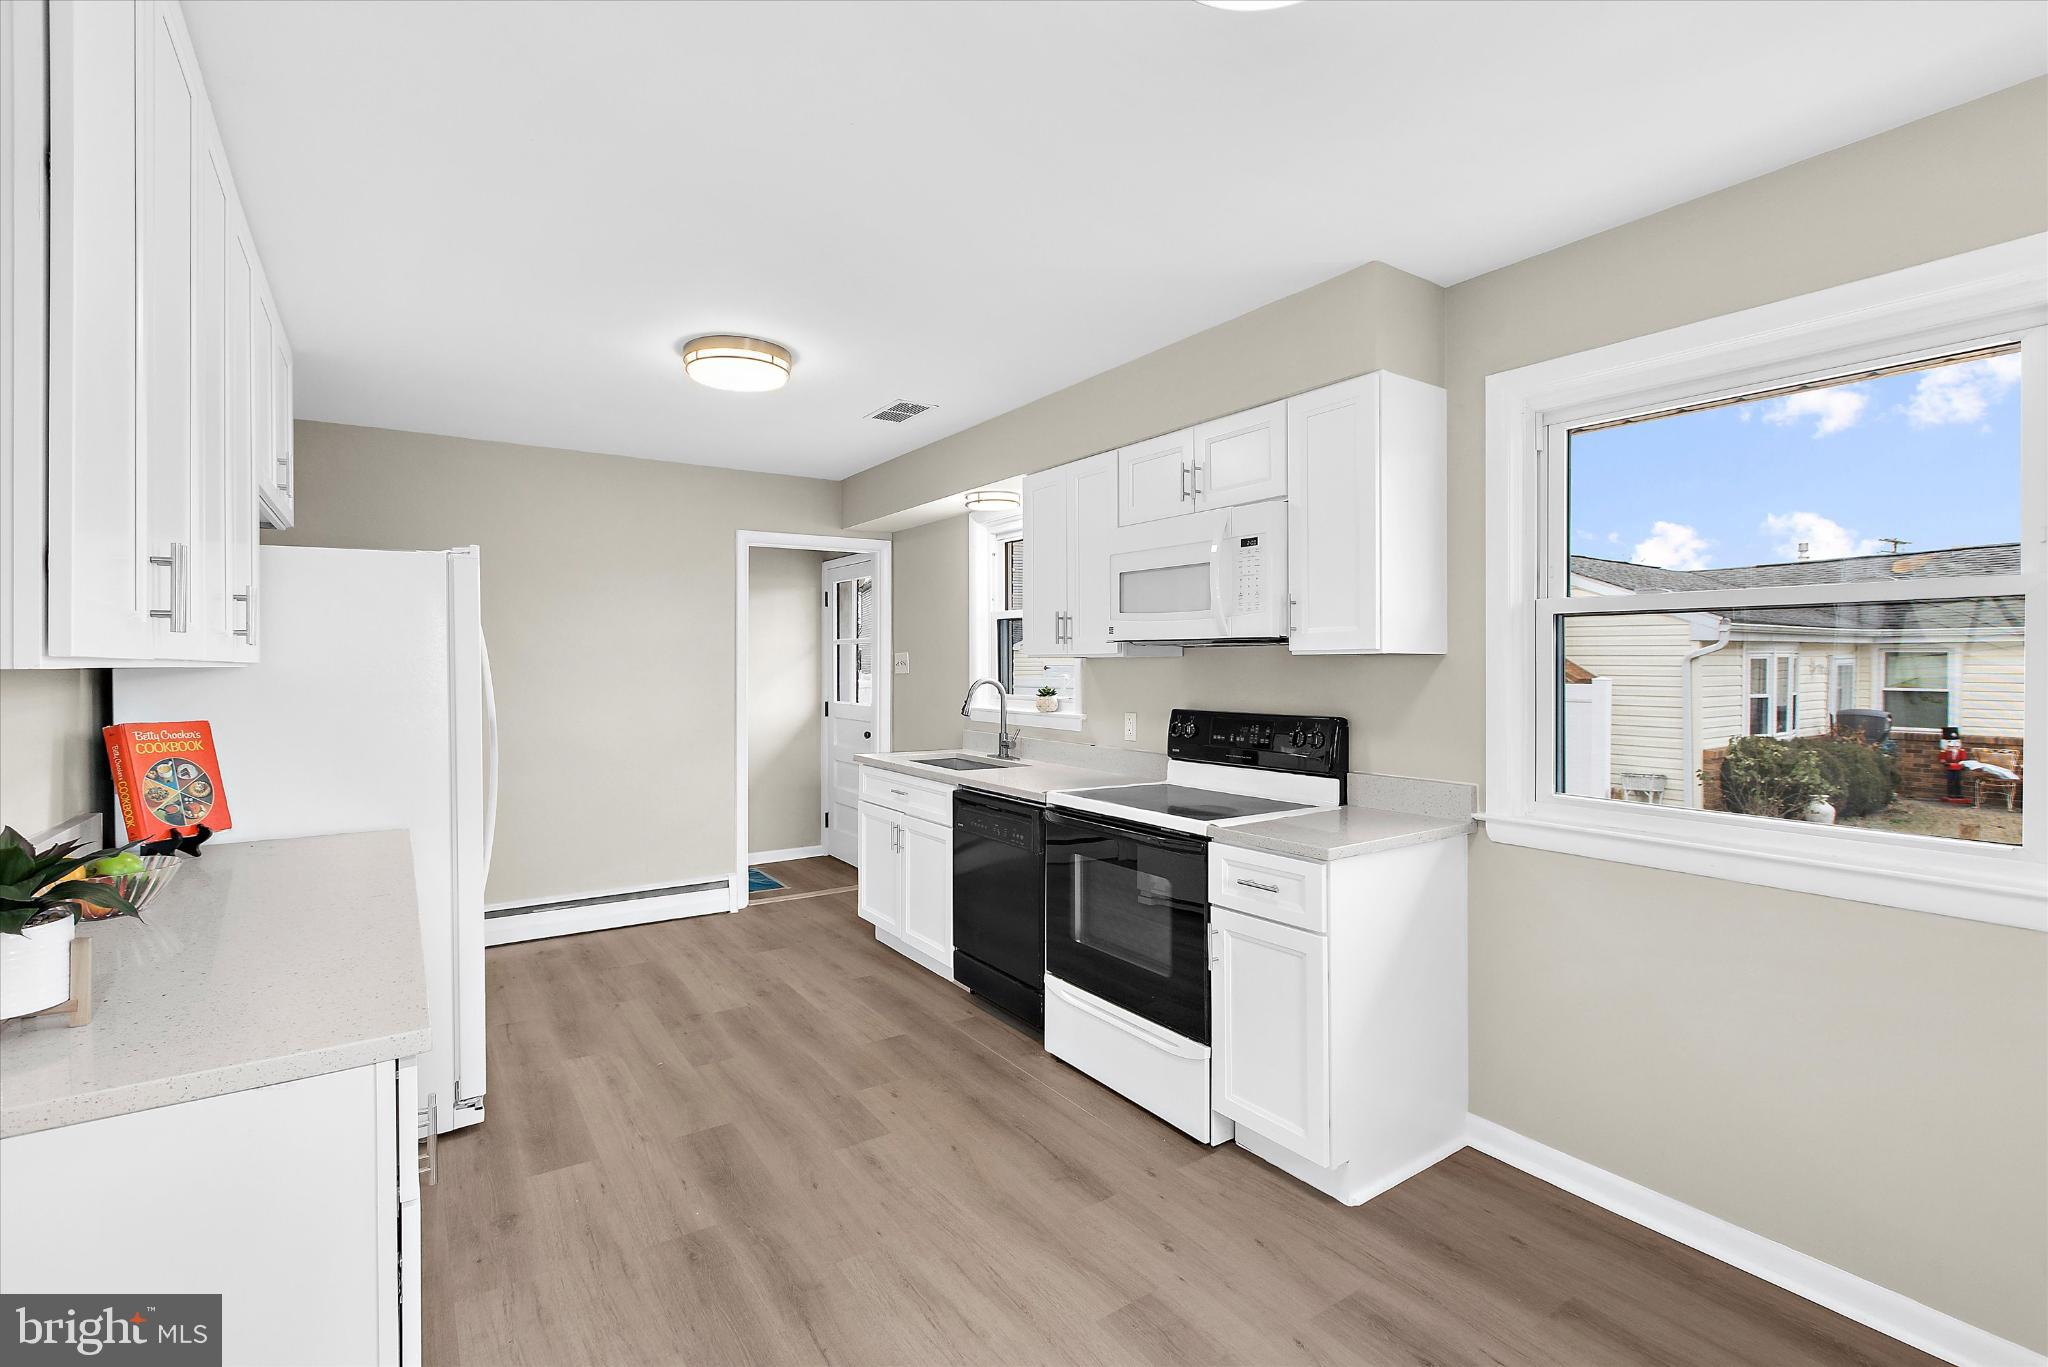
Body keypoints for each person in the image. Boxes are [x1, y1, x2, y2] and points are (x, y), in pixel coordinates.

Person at [1938, 726, 1969, 805]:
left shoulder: (1961, 751)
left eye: (1956, 743)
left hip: (1958, 768)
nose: (1953, 746)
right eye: (1950, 743)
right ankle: (1950, 794)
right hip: (1950, 768)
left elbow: (1963, 759)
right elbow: (1942, 759)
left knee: (1958, 782)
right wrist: (1946, 763)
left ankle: (1958, 794)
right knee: (1950, 781)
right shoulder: (1945, 751)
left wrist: (1961, 764)